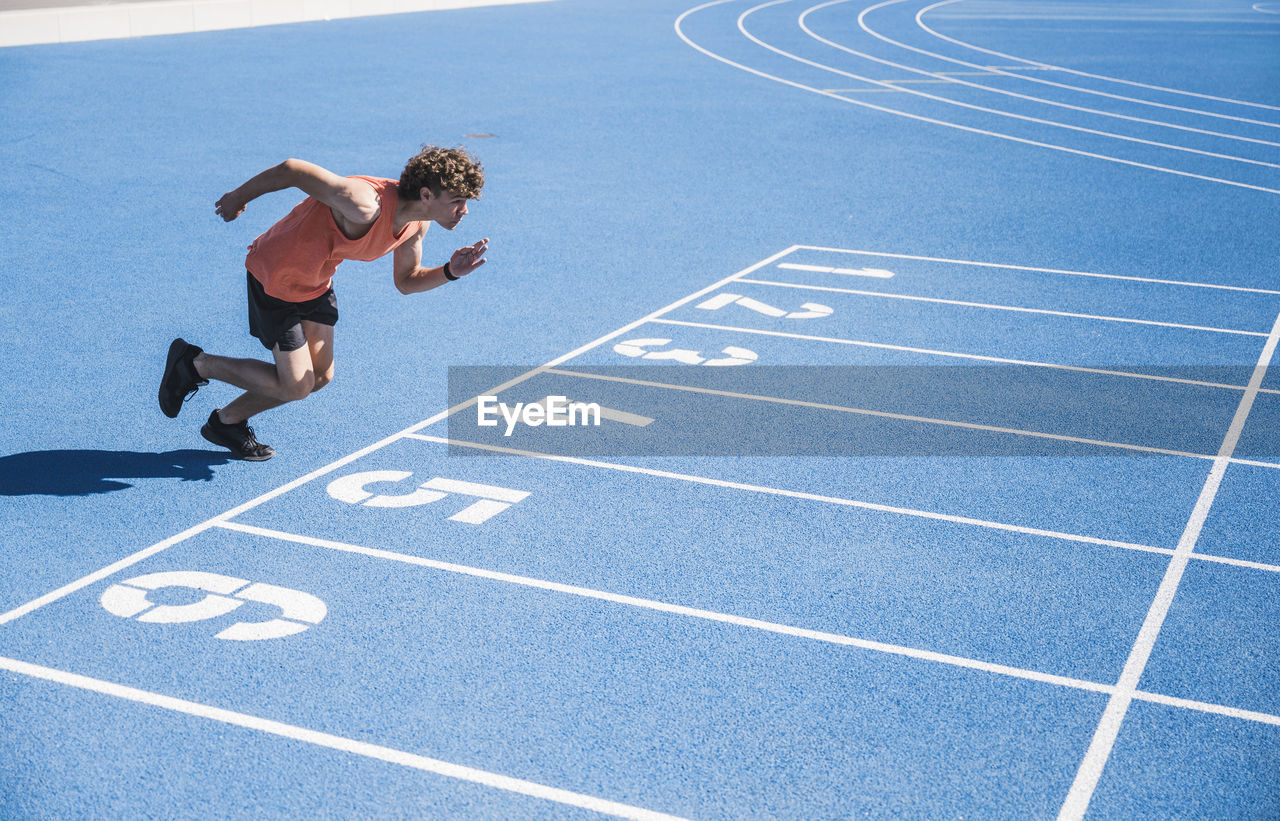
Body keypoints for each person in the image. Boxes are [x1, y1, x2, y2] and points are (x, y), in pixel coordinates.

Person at [158, 146, 488, 460]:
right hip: (276, 280)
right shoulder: (364, 202)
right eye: (457, 201)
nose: (465, 210)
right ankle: (194, 363)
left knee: (318, 378)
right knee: (296, 385)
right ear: (427, 195)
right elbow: (293, 170)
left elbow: (407, 280)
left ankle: (226, 422)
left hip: (315, 282)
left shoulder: (417, 223)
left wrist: (450, 271)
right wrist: (237, 198)